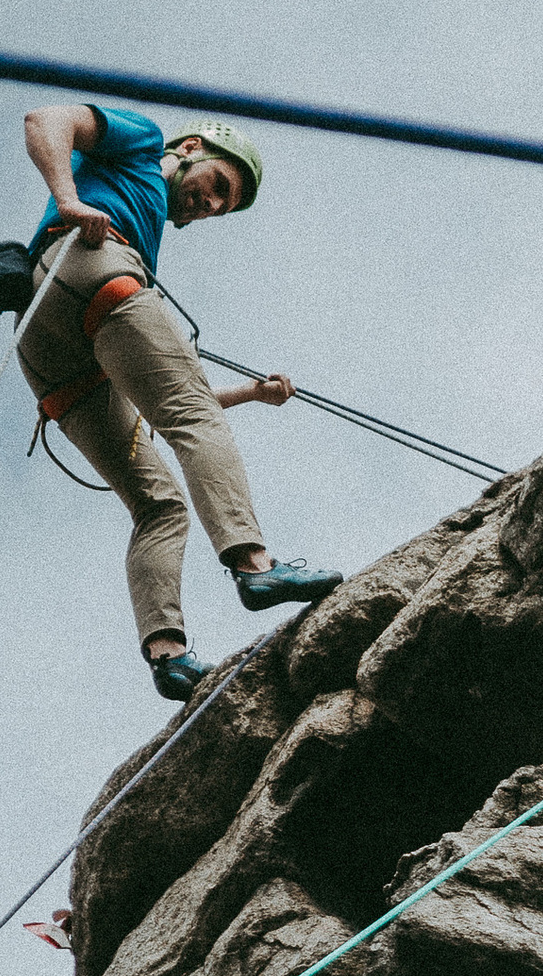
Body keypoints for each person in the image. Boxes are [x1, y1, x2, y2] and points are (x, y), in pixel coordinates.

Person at [18, 102, 341, 699]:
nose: (211, 205)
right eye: (218, 185)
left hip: (49, 347)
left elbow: (161, 404)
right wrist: (67, 199)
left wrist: (251, 392)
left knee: (159, 506)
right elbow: (46, 118)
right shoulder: (140, 144)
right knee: (192, 419)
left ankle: (168, 656)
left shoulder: (148, 223)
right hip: (92, 261)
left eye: (224, 206)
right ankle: (255, 567)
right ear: (192, 148)